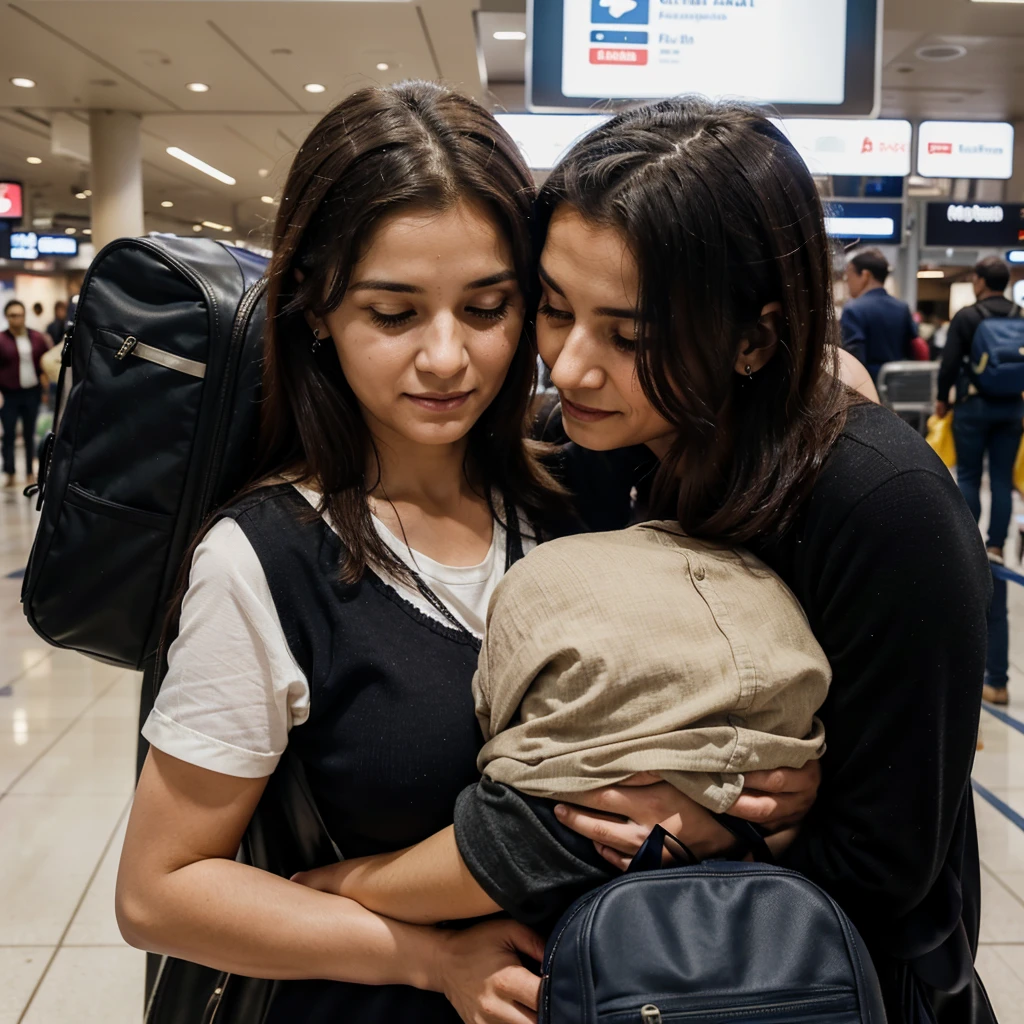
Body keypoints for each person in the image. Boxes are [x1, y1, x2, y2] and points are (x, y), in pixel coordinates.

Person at [293, 99, 991, 1024]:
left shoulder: (880, 505)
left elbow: (888, 869)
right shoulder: (599, 445)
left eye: (631, 337)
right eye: (552, 309)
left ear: (755, 337)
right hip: (610, 973)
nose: (572, 367)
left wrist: (727, 818)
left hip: (804, 985)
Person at [937, 255, 1024, 706]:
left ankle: (970, 532)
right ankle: (996, 540)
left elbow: (950, 362)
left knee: (969, 472)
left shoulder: (968, 317)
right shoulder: (1019, 315)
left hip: (973, 405)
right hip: (1012, 409)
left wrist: (940, 400)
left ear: (977, 281)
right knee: (1004, 477)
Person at [841, 248, 919, 381]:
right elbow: (912, 350)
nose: (847, 283)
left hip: (868, 387)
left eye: (849, 277)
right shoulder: (902, 308)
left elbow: (854, 359)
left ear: (865, 275)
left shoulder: (853, 310)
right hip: (899, 386)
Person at [0, 299, 47, 487]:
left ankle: (29, 471)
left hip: (31, 392)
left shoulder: (36, 337)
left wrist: (45, 390)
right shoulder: (1, 340)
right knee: (9, 434)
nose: (16, 319)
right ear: (6, 317)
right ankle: (10, 471)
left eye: (19, 315)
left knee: (29, 434)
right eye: (12, 315)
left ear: (24, 316)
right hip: (9, 393)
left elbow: (44, 363)